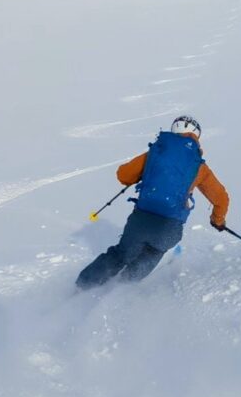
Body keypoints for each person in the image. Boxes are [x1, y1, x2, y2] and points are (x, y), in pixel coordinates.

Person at [76, 115, 229, 289]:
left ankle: (82, 285)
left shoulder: (156, 153)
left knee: (120, 254)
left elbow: (123, 175)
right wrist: (217, 220)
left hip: (141, 219)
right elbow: (221, 198)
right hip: (170, 226)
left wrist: (145, 173)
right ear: (196, 136)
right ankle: (123, 287)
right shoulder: (199, 166)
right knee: (154, 251)